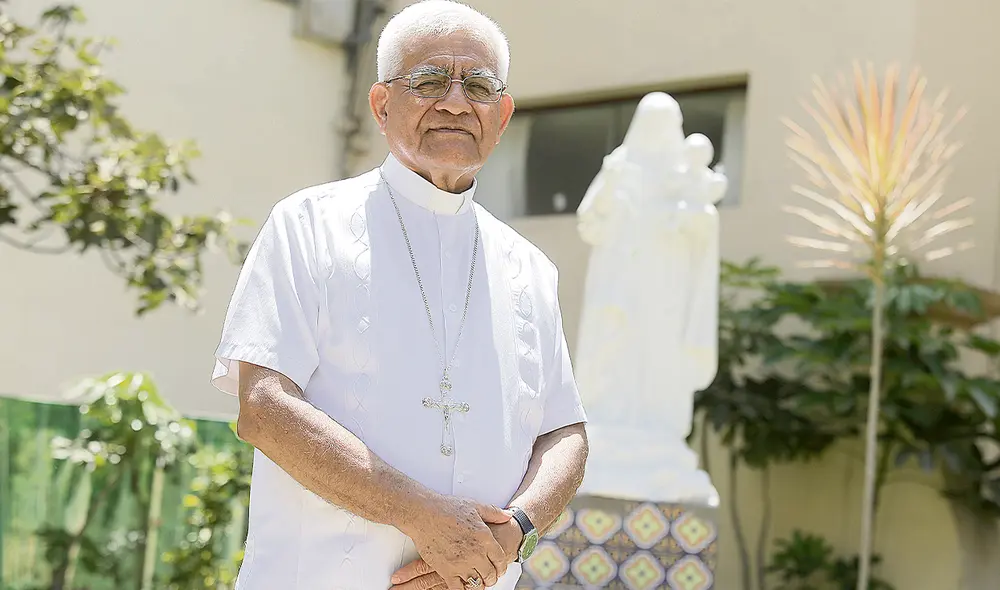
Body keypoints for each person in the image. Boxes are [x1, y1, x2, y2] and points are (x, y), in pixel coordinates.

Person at [210, 1, 589, 589]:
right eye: (430, 80)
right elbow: (263, 408)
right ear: (382, 105)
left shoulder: (530, 267)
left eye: (480, 85)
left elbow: (565, 432)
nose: (456, 102)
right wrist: (425, 520)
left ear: (503, 113)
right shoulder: (309, 224)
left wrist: (512, 533)